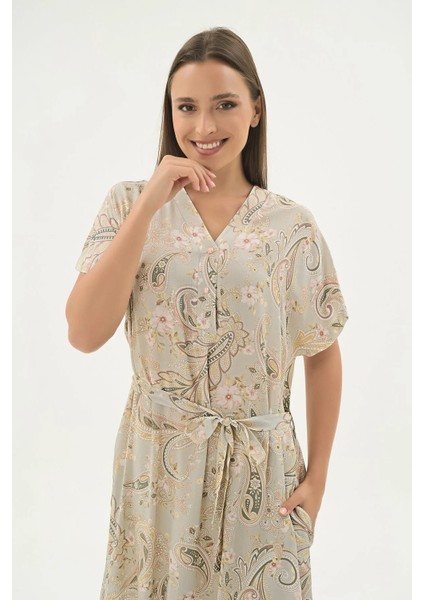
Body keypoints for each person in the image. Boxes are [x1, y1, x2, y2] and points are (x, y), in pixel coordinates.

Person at [66, 26, 348, 600]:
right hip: (157, 472)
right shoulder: (129, 203)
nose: (204, 127)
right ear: (169, 113)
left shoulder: (290, 226)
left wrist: (317, 477)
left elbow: (322, 351)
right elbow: (84, 332)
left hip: (261, 478)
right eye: (186, 107)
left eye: (224, 105)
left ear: (255, 110)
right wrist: (151, 202)